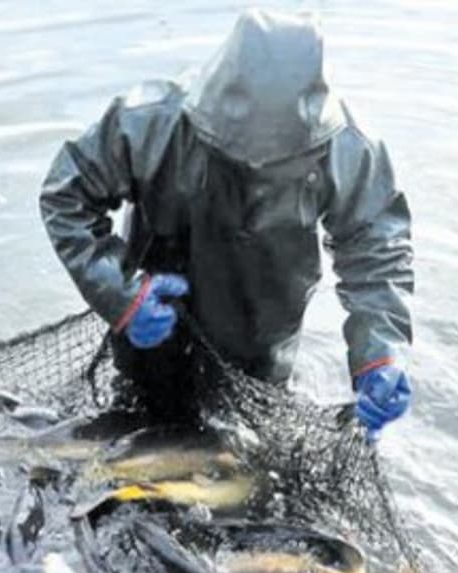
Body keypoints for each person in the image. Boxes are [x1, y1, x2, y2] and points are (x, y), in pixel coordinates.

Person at [39, 8, 413, 441]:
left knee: (244, 457)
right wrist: (122, 292)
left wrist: (380, 356)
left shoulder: (350, 150)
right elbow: (66, 195)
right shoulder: (151, 122)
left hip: (261, 348)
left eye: (275, 164)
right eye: (241, 157)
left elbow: (377, 255)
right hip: (152, 326)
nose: (255, 168)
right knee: (138, 429)